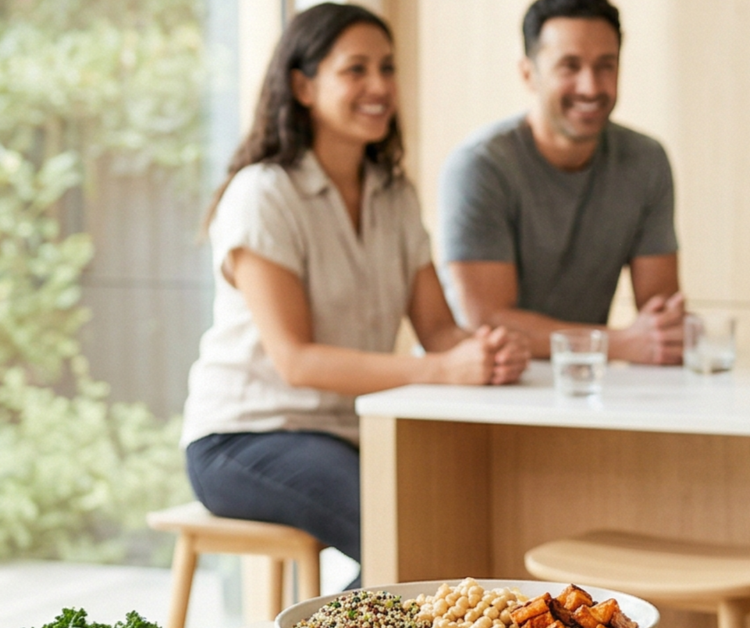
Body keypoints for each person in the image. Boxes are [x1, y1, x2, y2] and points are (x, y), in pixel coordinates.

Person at [182, 3, 529, 579]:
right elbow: (296, 361)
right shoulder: (263, 194)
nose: (379, 86)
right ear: (303, 85)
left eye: (388, 69)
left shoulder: (392, 194)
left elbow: (438, 331)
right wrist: (444, 370)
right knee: (406, 533)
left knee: (456, 514)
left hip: (349, 434)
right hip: (244, 438)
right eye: (356, 70)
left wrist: (486, 351)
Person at [440, 0, 684, 365]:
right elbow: (486, 321)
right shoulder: (481, 166)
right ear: (528, 74)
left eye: (606, 66)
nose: (590, 87)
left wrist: (665, 332)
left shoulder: (646, 161)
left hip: (582, 380)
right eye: (569, 67)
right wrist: (617, 344)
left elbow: (660, 313)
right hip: (487, 385)